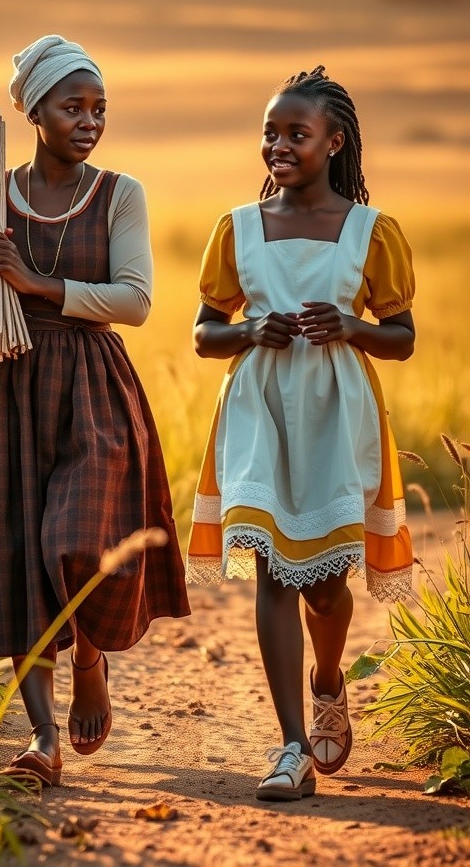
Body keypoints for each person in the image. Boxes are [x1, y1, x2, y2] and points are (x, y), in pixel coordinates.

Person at [0, 34, 190, 786]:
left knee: (77, 540)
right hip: (7, 384)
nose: (90, 120)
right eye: (72, 106)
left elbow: (136, 301)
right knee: (16, 555)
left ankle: (89, 656)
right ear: (35, 111)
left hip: (91, 389)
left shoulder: (120, 194)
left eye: (99, 107)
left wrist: (37, 282)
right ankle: (43, 739)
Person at [186, 66, 415, 801]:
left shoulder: (372, 232)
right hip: (258, 412)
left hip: (336, 417)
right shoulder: (238, 229)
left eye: (296, 134)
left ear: (334, 141)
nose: (278, 146)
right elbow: (204, 333)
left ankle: (327, 678)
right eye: (269, 133)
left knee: (323, 588)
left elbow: (402, 336)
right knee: (271, 570)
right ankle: (292, 749)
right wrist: (250, 329)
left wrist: (352, 326)